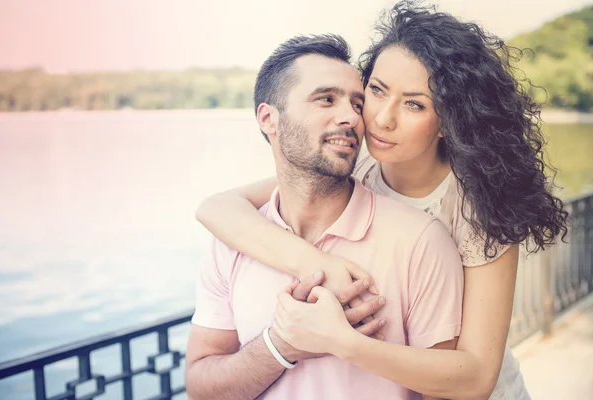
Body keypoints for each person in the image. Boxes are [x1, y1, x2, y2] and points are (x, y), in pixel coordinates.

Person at [194, 2, 569, 399]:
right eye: (376, 91)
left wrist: (343, 342)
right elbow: (216, 208)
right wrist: (316, 263)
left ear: (448, 120)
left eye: (414, 104)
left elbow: (475, 375)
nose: (382, 119)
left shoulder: (476, 205)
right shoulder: (360, 160)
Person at [185, 33, 465, 400]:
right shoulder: (231, 240)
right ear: (269, 118)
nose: (351, 117)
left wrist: (340, 340)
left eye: (357, 102)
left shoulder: (420, 241)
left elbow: (450, 392)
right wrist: (281, 345)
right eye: (326, 99)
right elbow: (201, 387)